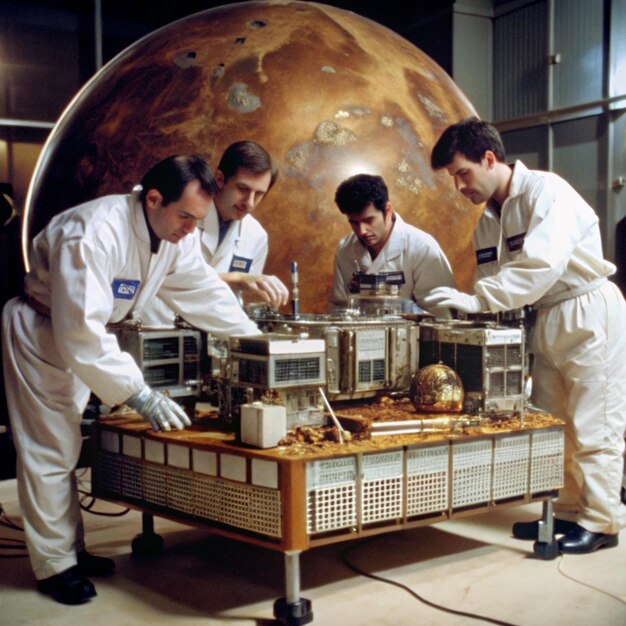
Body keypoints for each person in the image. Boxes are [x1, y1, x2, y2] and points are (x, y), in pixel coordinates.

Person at [1, 155, 260, 605]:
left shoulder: (174, 234)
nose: (189, 230)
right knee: (50, 448)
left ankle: (71, 553)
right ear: (153, 198)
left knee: (66, 446)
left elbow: (204, 292)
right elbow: (79, 329)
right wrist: (138, 393)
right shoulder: (93, 233)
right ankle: (56, 568)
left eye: (198, 221)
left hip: (83, 337)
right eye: (184, 216)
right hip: (41, 333)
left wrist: (257, 342)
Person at [427, 117, 626, 554]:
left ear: (490, 158)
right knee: (557, 424)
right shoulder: (487, 222)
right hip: (546, 317)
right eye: (453, 178)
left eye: (463, 173)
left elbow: (540, 266)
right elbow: (497, 283)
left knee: (596, 423)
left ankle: (603, 521)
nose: (460, 186)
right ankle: (570, 511)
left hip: (588, 309)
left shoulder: (546, 192)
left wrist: (476, 298)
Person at [141, 141, 288, 327]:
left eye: (259, 194)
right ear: (220, 179)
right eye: (243, 189)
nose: (249, 203)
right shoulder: (178, 216)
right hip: (159, 324)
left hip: (211, 332)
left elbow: (230, 299)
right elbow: (168, 276)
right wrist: (236, 277)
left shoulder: (256, 236)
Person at [329, 173, 455, 314]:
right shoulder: (345, 249)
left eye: (369, 220)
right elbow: (339, 308)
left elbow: (441, 315)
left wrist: (401, 309)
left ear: (388, 211)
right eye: (354, 223)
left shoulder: (423, 247)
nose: (362, 231)